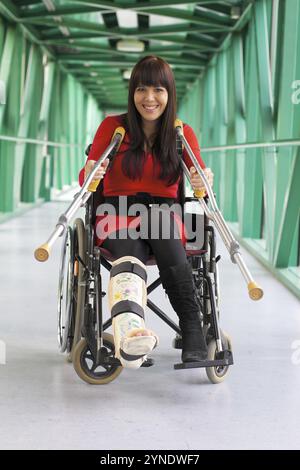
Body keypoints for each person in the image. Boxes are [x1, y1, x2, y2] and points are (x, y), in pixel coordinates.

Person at [79, 55, 213, 369]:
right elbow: (88, 175)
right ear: (132, 93)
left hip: (163, 216)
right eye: (141, 89)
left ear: (170, 93)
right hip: (117, 213)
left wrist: (203, 179)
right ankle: (130, 334)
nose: (149, 98)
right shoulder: (114, 128)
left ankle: (192, 327)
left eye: (158, 89)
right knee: (128, 244)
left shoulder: (182, 134)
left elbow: (201, 182)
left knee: (159, 222)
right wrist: (89, 173)